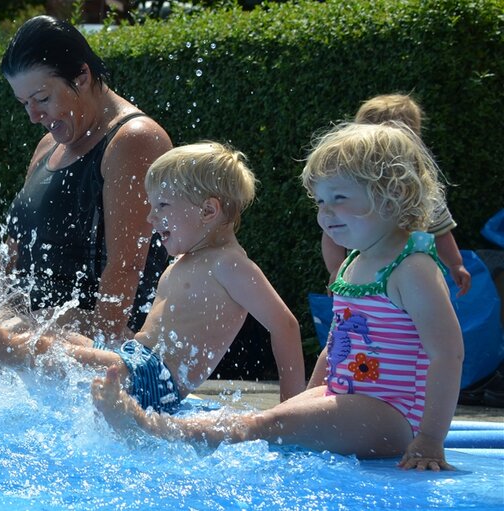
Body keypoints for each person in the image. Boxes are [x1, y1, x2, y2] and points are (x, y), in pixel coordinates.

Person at [93, 123, 464, 471]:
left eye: (338, 197)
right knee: (269, 422)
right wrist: (313, 392)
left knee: (262, 425)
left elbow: (447, 353)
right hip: (354, 399)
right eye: (319, 201)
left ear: (392, 194)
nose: (325, 212)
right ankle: (160, 432)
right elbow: (338, 343)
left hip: (396, 416)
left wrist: (431, 438)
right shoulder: (356, 264)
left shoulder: (412, 268)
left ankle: (151, 429)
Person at [0, 142, 307, 412]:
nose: (150, 217)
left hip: (151, 380)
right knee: (53, 341)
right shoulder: (192, 259)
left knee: (29, 353)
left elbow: (285, 325)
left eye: (162, 205)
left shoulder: (229, 264)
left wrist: (290, 412)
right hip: (137, 362)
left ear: (209, 210)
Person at [0, 15, 174, 342]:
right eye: (24, 104)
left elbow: (125, 268)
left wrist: (99, 358)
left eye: (43, 99)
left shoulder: (133, 141)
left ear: (82, 76)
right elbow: (12, 250)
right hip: (33, 330)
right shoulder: (48, 145)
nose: (33, 117)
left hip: (90, 339)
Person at [321, 94, 470, 296]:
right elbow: (331, 234)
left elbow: (441, 231)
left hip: (416, 279)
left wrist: (455, 263)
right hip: (364, 276)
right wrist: (337, 268)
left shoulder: (423, 192)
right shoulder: (353, 192)